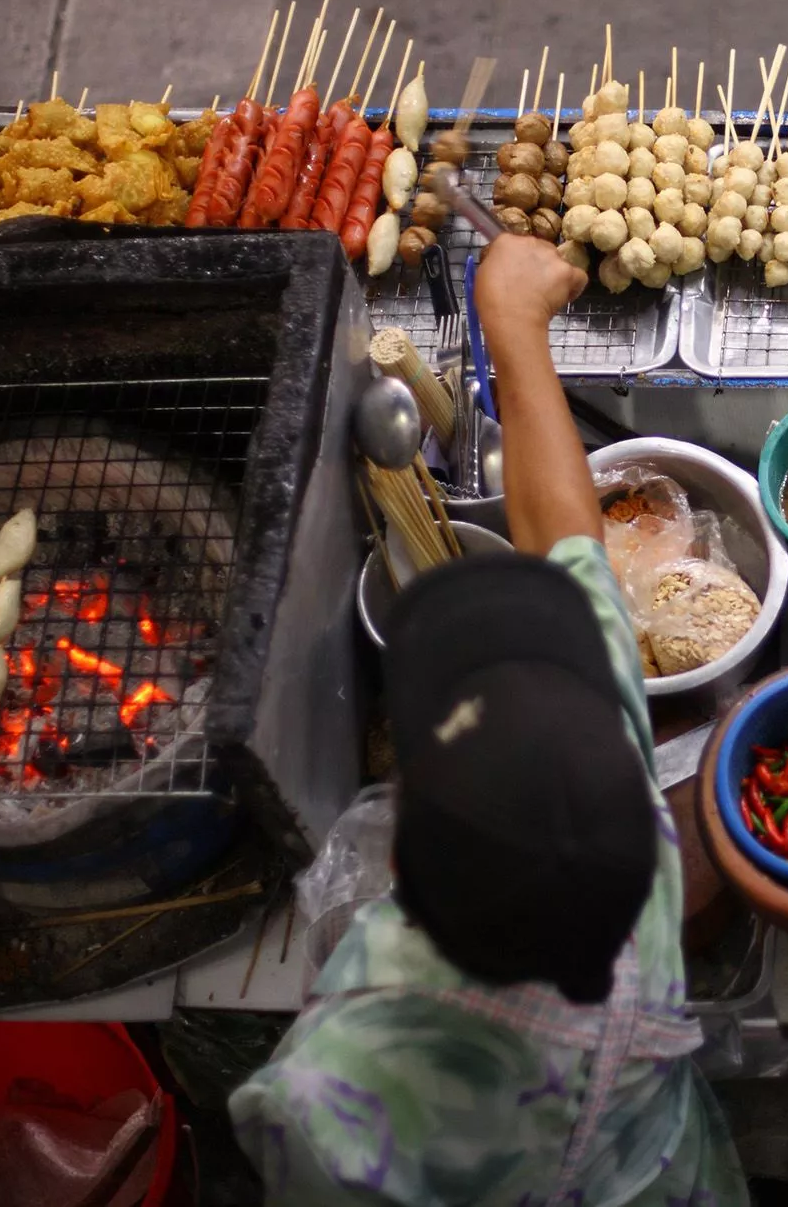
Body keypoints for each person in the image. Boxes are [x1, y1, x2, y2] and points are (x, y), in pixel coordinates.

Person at [230, 235, 748, 1207]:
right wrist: (514, 329)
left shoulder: (332, 1092)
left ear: (401, 868)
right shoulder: (626, 831)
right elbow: (571, 545)